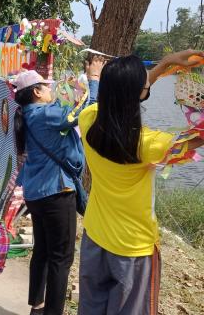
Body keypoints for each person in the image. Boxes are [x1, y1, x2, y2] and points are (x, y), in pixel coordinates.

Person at [77, 50, 204, 315]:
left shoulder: (88, 120)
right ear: (138, 93)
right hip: (133, 249)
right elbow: (198, 137)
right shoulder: (149, 144)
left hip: (95, 238)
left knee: (90, 309)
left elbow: (131, 89)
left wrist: (166, 63)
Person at [13, 65, 101, 315]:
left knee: (42, 251)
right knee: (61, 258)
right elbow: (85, 113)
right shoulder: (44, 114)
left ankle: (37, 306)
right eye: (47, 86)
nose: (51, 89)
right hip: (55, 193)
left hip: (37, 193)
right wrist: (93, 81)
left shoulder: (31, 113)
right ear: (37, 92)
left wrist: (77, 87)